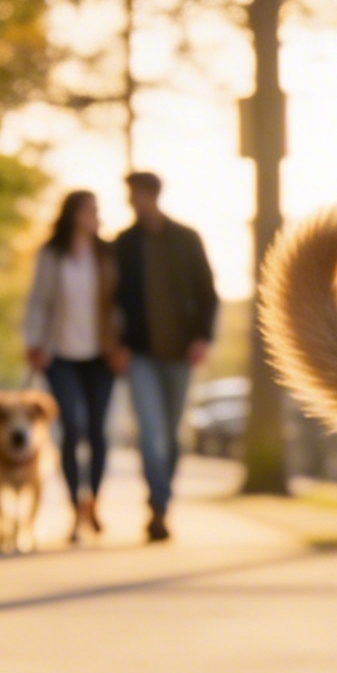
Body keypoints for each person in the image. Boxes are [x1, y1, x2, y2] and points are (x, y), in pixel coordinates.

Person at [115, 171, 220, 543]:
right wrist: (117, 343)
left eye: (136, 194)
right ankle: (158, 505)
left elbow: (208, 291)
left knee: (174, 436)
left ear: (152, 195)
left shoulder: (186, 239)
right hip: (140, 354)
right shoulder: (124, 244)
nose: (132, 201)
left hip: (180, 352)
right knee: (149, 433)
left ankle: (161, 502)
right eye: (129, 195)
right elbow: (112, 299)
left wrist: (203, 337)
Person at [23, 189, 122, 545]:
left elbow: (118, 305)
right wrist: (33, 342)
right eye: (89, 210)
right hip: (60, 354)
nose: (95, 215)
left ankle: (91, 502)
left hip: (101, 355)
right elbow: (38, 301)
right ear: (73, 214)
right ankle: (72, 506)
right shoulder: (52, 254)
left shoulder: (107, 253)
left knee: (98, 431)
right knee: (72, 427)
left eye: (97, 210)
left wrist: (120, 344)